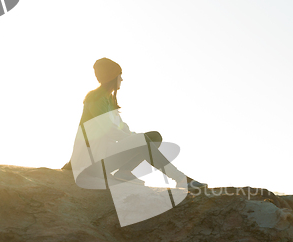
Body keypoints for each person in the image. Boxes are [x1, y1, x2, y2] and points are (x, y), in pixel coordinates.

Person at [63, 58, 206, 190]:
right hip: (91, 163)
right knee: (142, 140)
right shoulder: (95, 98)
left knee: (154, 137)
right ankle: (181, 179)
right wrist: (137, 140)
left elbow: (122, 128)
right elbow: (110, 130)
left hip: (103, 157)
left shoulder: (110, 101)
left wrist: (137, 139)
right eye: (120, 75)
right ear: (112, 77)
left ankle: (124, 172)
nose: (122, 79)